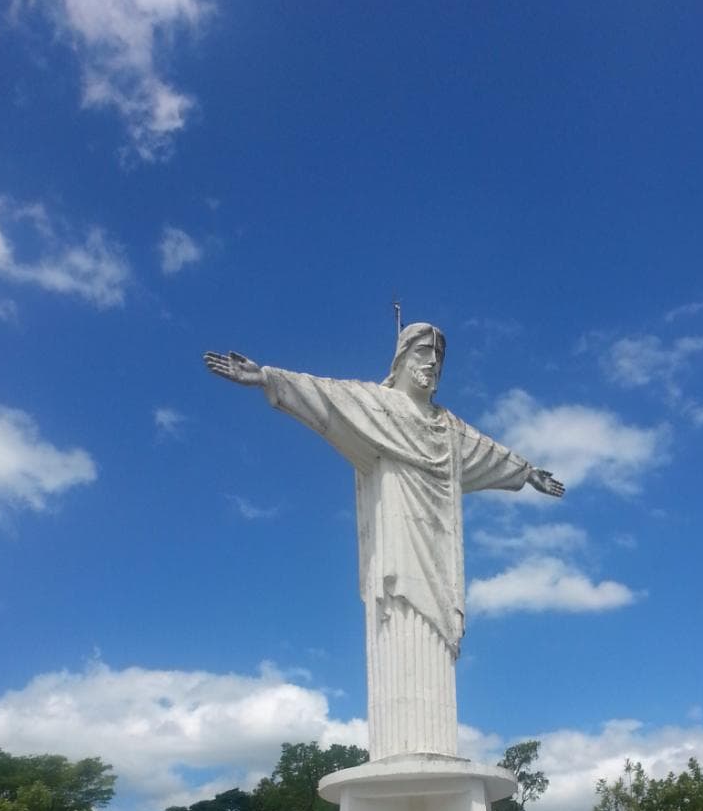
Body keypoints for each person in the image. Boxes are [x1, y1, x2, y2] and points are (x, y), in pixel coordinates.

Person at [204, 323, 563, 760]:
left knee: (434, 634)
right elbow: (326, 396)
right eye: (423, 351)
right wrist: (267, 377)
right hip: (394, 542)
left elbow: (487, 451)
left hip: (439, 548)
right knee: (397, 613)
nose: (432, 362)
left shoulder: (448, 428)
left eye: (439, 356)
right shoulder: (377, 405)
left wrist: (527, 473)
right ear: (402, 358)